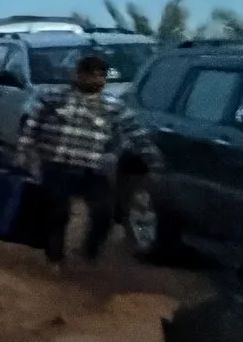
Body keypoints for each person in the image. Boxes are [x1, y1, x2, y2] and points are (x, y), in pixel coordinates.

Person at [17, 50, 156, 268]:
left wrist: (152, 158)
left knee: (104, 214)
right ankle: (55, 258)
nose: (95, 79)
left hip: (92, 169)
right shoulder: (53, 99)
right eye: (89, 74)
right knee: (58, 214)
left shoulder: (113, 106)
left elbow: (135, 133)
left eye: (100, 75)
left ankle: (89, 250)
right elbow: (31, 126)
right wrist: (24, 154)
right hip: (56, 166)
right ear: (77, 75)